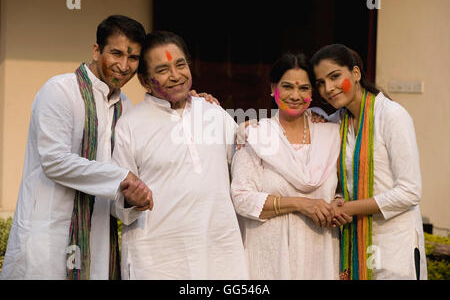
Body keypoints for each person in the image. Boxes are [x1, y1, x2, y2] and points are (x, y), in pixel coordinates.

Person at [0, 15, 156, 280]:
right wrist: (122, 178)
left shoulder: (125, 106)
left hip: (97, 239)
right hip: (48, 236)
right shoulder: (60, 91)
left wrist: (133, 200)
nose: (123, 65)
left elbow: (122, 177)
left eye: (133, 58)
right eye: (116, 53)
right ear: (96, 50)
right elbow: (55, 162)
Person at [111, 30, 248, 280]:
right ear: (144, 80)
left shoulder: (213, 113)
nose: (176, 76)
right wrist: (132, 200)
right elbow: (117, 204)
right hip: (158, 261)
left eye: (181, 65)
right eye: (162, 70)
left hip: (218, 253)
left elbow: (249, 163)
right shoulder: (130, 125)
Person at [230, 53, 352, 279]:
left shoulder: (331, 133)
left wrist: (337, 204)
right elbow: (242, 198)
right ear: (273, 88)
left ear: (312, 93)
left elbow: (341, 189)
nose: (295, 96)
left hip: (320, 251)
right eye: (287, 87)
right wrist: (300, 204)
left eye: (304, 88)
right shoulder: (256, 135)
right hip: (270, 256)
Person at [310, 44, 427, 280]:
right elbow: (343, 182)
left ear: (355, 74)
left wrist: (350, 208)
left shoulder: (392, 116)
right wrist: (339, 198)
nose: (328, 89)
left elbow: (410, 191)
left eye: (334, 77)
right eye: (321, 82)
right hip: (354, 245)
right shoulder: (335, 123)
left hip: (395, 245)